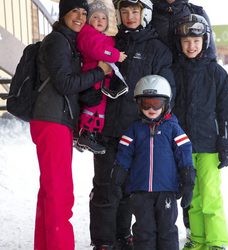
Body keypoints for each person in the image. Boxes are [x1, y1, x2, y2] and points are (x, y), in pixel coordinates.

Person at [85, 0, 175, 249]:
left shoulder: (158, 49)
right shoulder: (111, 44)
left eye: (135, 11)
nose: (130, 16)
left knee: (130, 190)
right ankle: (104, 242)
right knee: (106, 188)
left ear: (144, 13)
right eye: (125, 12)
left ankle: (123, 236)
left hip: (140, 134)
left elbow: (167, 92)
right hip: (108, 131)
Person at [29, 0, 112, 249]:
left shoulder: (67, 41)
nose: (80, 16)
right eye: (75, 11)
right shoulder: (58, 41)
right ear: (64, 13)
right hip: (52, 121)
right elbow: (65, 84)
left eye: (84, 12)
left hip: (54, 120)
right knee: (60, 195)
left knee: (49, 193)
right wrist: (100, 71)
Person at [172, 14, 228, 250]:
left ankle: (216, 241)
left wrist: (226, 144)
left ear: (205, 41)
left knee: (209, 195)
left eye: (196, 41)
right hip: (183, 146)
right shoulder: (175, 71)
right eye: (187, 41)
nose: (191, 46)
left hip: (209, 146)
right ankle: (198, 239)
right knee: (192, 197)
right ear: (180, 43)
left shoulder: (216, 72)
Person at [111, 75, 196, 250]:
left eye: (156, 103)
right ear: (138, 104)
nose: (151, 108)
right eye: (145, 103)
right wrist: (118, 176)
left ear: (166, 104)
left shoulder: (173, 128)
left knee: (167, 230)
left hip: (166, 190)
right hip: (140, 191)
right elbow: (124, 153)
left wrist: (187, 181)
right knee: (144, 231)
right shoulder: (134, 130)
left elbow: (184, 153)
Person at [76, 0, 127, 154]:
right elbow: (99, 50)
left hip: (100, 80)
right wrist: (116, 55)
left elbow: (105, 43)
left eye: (103, 18)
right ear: (88, 20)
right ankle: (86, 133)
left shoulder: (98, 36)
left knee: (99, 107)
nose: (100, 20)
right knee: (93, 106)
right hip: (93, 80)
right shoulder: (87, 34)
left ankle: (90, 134)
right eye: (95, 17)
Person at [151, 0, 216, 60]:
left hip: (188, 69)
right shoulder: (147, 12)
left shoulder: (197, 12)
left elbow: (210, 54)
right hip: (156, 69)